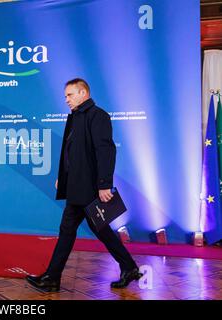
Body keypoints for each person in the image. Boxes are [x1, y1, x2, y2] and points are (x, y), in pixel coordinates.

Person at [26, 78, 141, 292]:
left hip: (88, 187)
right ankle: (128, 267)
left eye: (70, 95)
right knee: (91, 229)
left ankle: (52, 277)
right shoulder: (76, 118)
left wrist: (104, 184)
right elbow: (72, 154)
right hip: (77, 185)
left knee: (76, 229)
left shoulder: (98, 116)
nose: (66, 100)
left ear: (83, 93)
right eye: (65, 96)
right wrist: (65, 177)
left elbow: (106, 151)